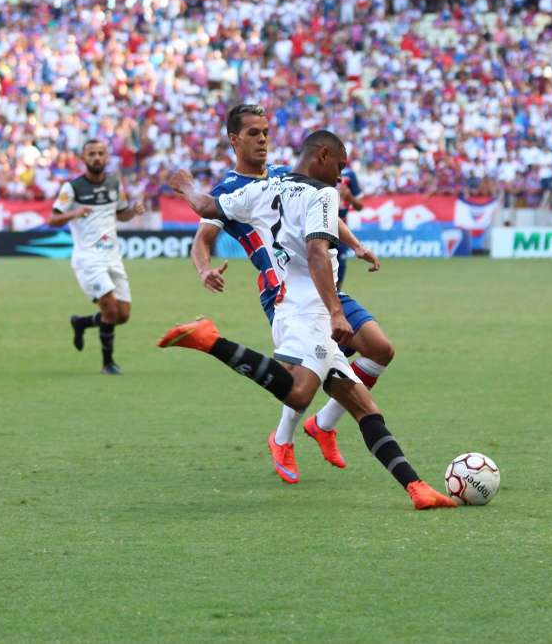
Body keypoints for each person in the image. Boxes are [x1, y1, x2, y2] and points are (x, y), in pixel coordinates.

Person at [160, 130, 455, 510]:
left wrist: (185, 186)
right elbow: (317, 252)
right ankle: (210, 340)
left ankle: (417, 488)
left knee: (365, 407)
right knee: (300, 392)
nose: (341, 176)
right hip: (305, 309)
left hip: (298, 303)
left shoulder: (267, 189)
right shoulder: (321, 193)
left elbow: (206, 207)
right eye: (340, 166)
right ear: (323, 156)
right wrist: (335, 312)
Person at [189, 105, 396, 484]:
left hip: (323, 288)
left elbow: (325, 213)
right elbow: (202, 240)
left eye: (266, 131)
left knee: (380, 350)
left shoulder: (286, 175)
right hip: (281, 291)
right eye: (253, 133)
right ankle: (282, 438)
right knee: (307, 377)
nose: (263, 139)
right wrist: (204, 269)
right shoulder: (228, 191)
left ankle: (324, 425)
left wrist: (357, 244)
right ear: (234, 140)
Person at [49, 140, 145, 374]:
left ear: (107, 156)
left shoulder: (114, 183)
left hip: (113, 256)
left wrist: (133, 211)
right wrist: (75, 212)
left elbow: (120, 214)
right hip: (88, 258)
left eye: (101, 153)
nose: (97, 158)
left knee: (122, 315)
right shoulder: (71, 188)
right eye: (91, 154)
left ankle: (81, 322)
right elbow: (53, 219)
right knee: (110, 311)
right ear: (83, 158)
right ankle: (107, 363)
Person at [336, 164, 365, 290]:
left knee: (340, 263)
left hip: (341, 228)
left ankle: (336, 295)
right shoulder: (318, 172)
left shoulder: (348, 175)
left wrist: (349, 198)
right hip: (320, 224)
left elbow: (359, 207)